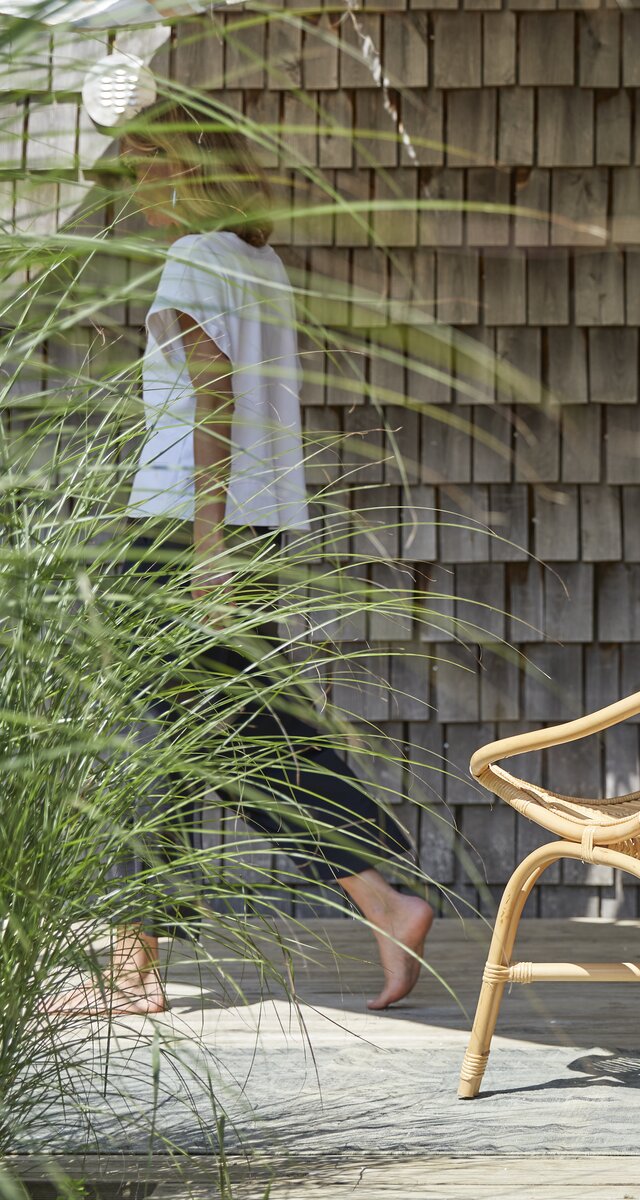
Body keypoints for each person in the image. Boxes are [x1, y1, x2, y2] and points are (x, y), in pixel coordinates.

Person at [54, 103, 433, 1016]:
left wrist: (205, 545)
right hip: (257, 526)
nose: (130, 185)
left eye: (140, 165)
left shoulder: (193, 260)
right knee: (244, 729)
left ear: (184, 170)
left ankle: (137, 965)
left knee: (153, 736)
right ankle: (378, 896)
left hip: (187, 529)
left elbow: (215, 397)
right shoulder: (259, 264)